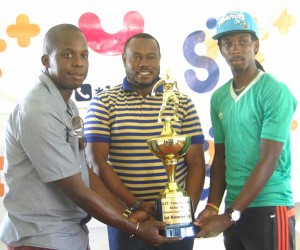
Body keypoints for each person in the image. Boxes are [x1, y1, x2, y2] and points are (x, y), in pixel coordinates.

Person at [0, 24, 178, 250]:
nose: (78, 62)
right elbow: (76, 187)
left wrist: (128, 213)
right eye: (68, 54)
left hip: (69, 236)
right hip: (40, 239)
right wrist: (132, 227)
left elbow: (84, 172)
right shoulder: (38, 110)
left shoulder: (67, 105)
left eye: (84, 55)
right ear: (46, 60)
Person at [83, 32, 206, 250]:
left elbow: (196, 162)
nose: (144, 63)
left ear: (159, 59)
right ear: (124, 59)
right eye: (136, 57)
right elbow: (96, 162)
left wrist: (186, 211)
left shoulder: (181, 102)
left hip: (176, 220)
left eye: (150, 57)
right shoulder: (104, 102)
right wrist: (135, 206)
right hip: (129, 220)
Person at [195, 11, 297, 250]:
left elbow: (269, 159)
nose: (235, 49)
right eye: (228, 43)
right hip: (235, 208)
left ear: (255, 45)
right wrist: (212, 207)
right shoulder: (219, 97)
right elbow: (220, 158)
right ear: (220, 49)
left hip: (270, 206)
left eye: (242, 41)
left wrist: (230, 214)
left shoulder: (274, 91)